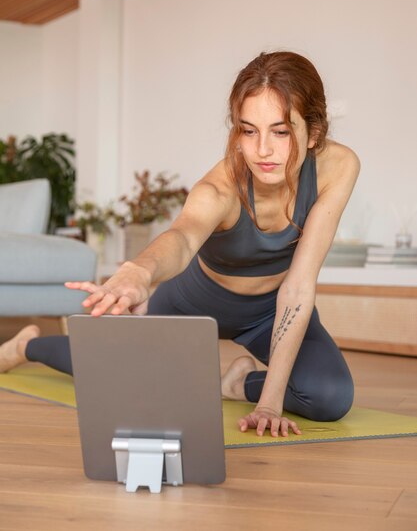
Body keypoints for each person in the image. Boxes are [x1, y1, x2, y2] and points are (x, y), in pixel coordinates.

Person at [0, 51, 360, 438]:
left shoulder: (337, 167)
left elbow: (299, 285)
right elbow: (183, 236)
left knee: (329, 397)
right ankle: (27, 347)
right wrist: (139, 271)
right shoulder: (220, 188)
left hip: (270, 311)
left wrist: (269, 401)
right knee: (125, 376)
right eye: (248, 130)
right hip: (192, 302)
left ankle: (235, 385)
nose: (263, 150)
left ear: (314, 133)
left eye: (281, 131)